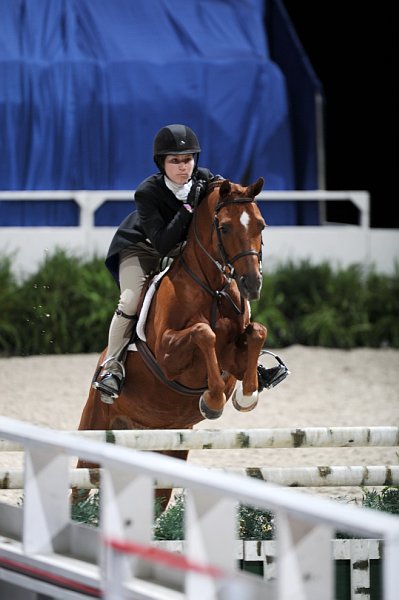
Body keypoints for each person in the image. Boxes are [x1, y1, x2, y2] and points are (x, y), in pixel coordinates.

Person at [93, 124, 218, 404]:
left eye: (188, 159)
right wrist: (188, 208)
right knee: (130, 301)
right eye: (175, 161)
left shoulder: (204, 179)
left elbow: (225, 194)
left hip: (179, 252)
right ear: (162, 163)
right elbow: (162, 243)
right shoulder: (147, 192)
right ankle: (111, 368)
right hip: (140, 248)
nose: (183, 167)